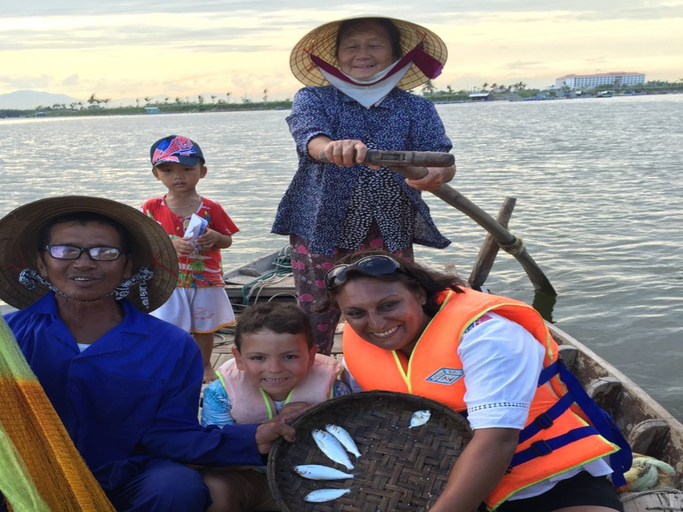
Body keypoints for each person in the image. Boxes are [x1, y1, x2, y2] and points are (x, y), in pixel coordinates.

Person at [0, 196, 296, 512]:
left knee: (177, 487)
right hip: (27, 470)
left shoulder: (170, 345)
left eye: (104, 251)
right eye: (66, 249)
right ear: (42, 263)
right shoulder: (6, 336)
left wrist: (253, 437)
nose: (84, 263)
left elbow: (169, 435)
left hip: (125, 474)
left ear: (128, 265)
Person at [320, 251, 632, 512]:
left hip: (548, 484)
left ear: (418, 293)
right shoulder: (359, 341)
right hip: (431, 482)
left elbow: (497, 440)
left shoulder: (488, 336)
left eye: (389, 305)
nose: (376, 323)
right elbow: (361, 413)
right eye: (357, 312)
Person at [272, 16, 457, 354]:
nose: (362, 53)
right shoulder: (314, 98)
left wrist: (435, 175)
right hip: (320, 226)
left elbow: (441, 158)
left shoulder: (416, 107)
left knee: (390, 305)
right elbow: (310, 138)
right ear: (337, 55)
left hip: (388, 227)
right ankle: (315, 377)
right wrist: (332, 148)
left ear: (396, 54)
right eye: (352, 46)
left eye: (374, 44)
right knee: (317, 309)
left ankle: (397, 374)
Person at [199, 301, 350, 512]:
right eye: (258, 358)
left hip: (322, 481)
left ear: (311, 355)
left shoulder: (336, 390)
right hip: (253, 481)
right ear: (239, 359)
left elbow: (350, 449)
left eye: (290, 357)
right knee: (215, 485)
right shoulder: (219, 394)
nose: (275, 369)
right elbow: (215, 458)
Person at [141, 135, 239, 383]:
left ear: (202, 172)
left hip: (205, 279)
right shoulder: (151, 208)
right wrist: (169, 244)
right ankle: (172, 366)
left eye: (187, 169)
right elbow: (142, 244)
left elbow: (227, 241)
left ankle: (205, 366)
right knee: (170, 327)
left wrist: (216, 237)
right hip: (169, 282)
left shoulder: (210, 207)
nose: (178, 176)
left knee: (203, 327)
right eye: (168, 170)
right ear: (156, 174)